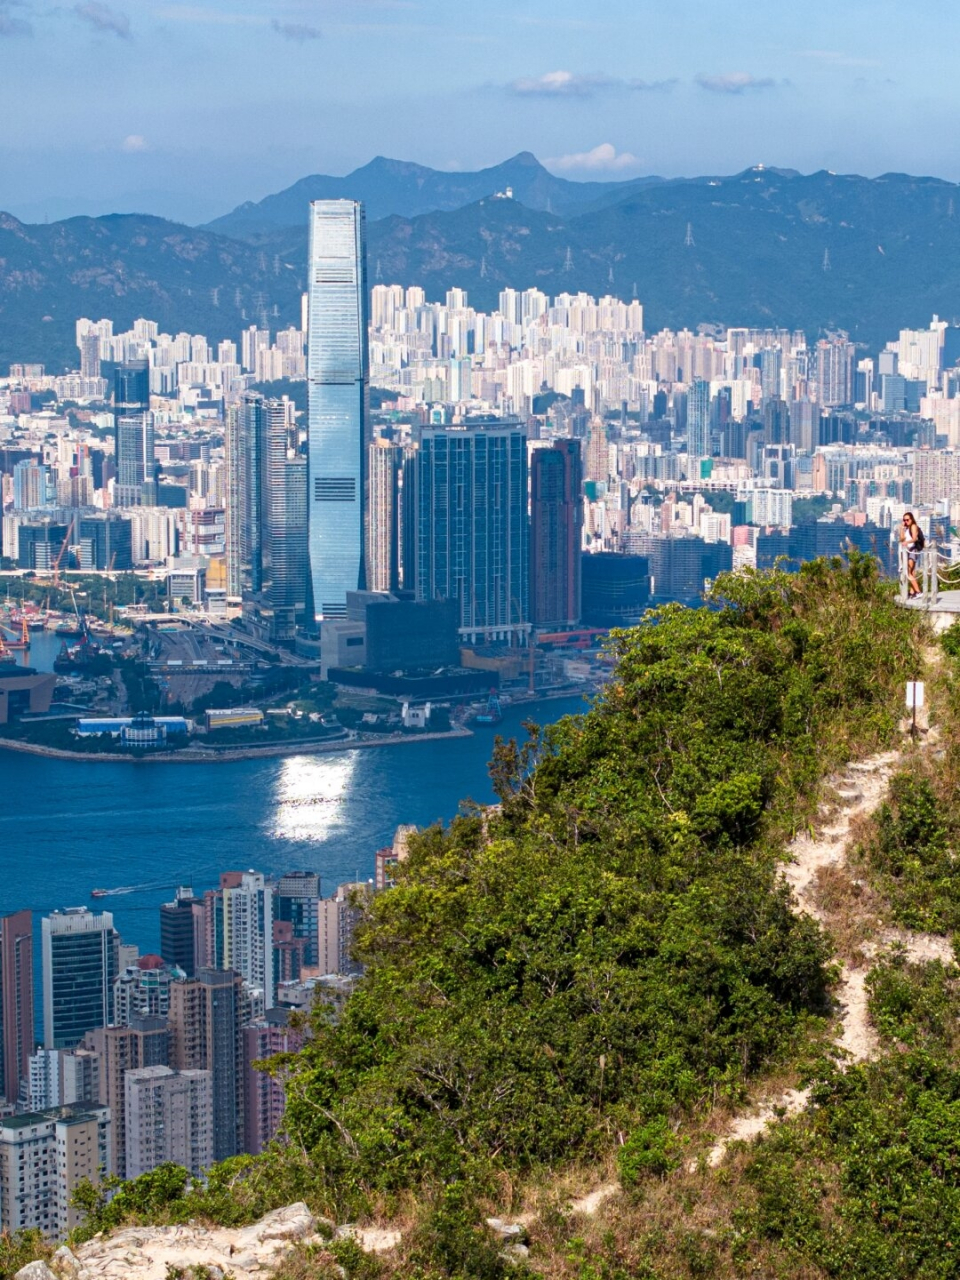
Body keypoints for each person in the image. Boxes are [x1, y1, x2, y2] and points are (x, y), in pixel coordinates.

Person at [900, 512, 925, 597]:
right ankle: (912, 592)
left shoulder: (913, 526)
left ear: (911, 519)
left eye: (907, 520)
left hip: (912, 550)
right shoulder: (906, 528)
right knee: (912, 572)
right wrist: (902, 529)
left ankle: (918, 592)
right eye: (904, 520)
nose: (906, 521)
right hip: (907, 551)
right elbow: (901, 539)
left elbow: (915, 538)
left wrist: (907, 542)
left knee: (908, 572)